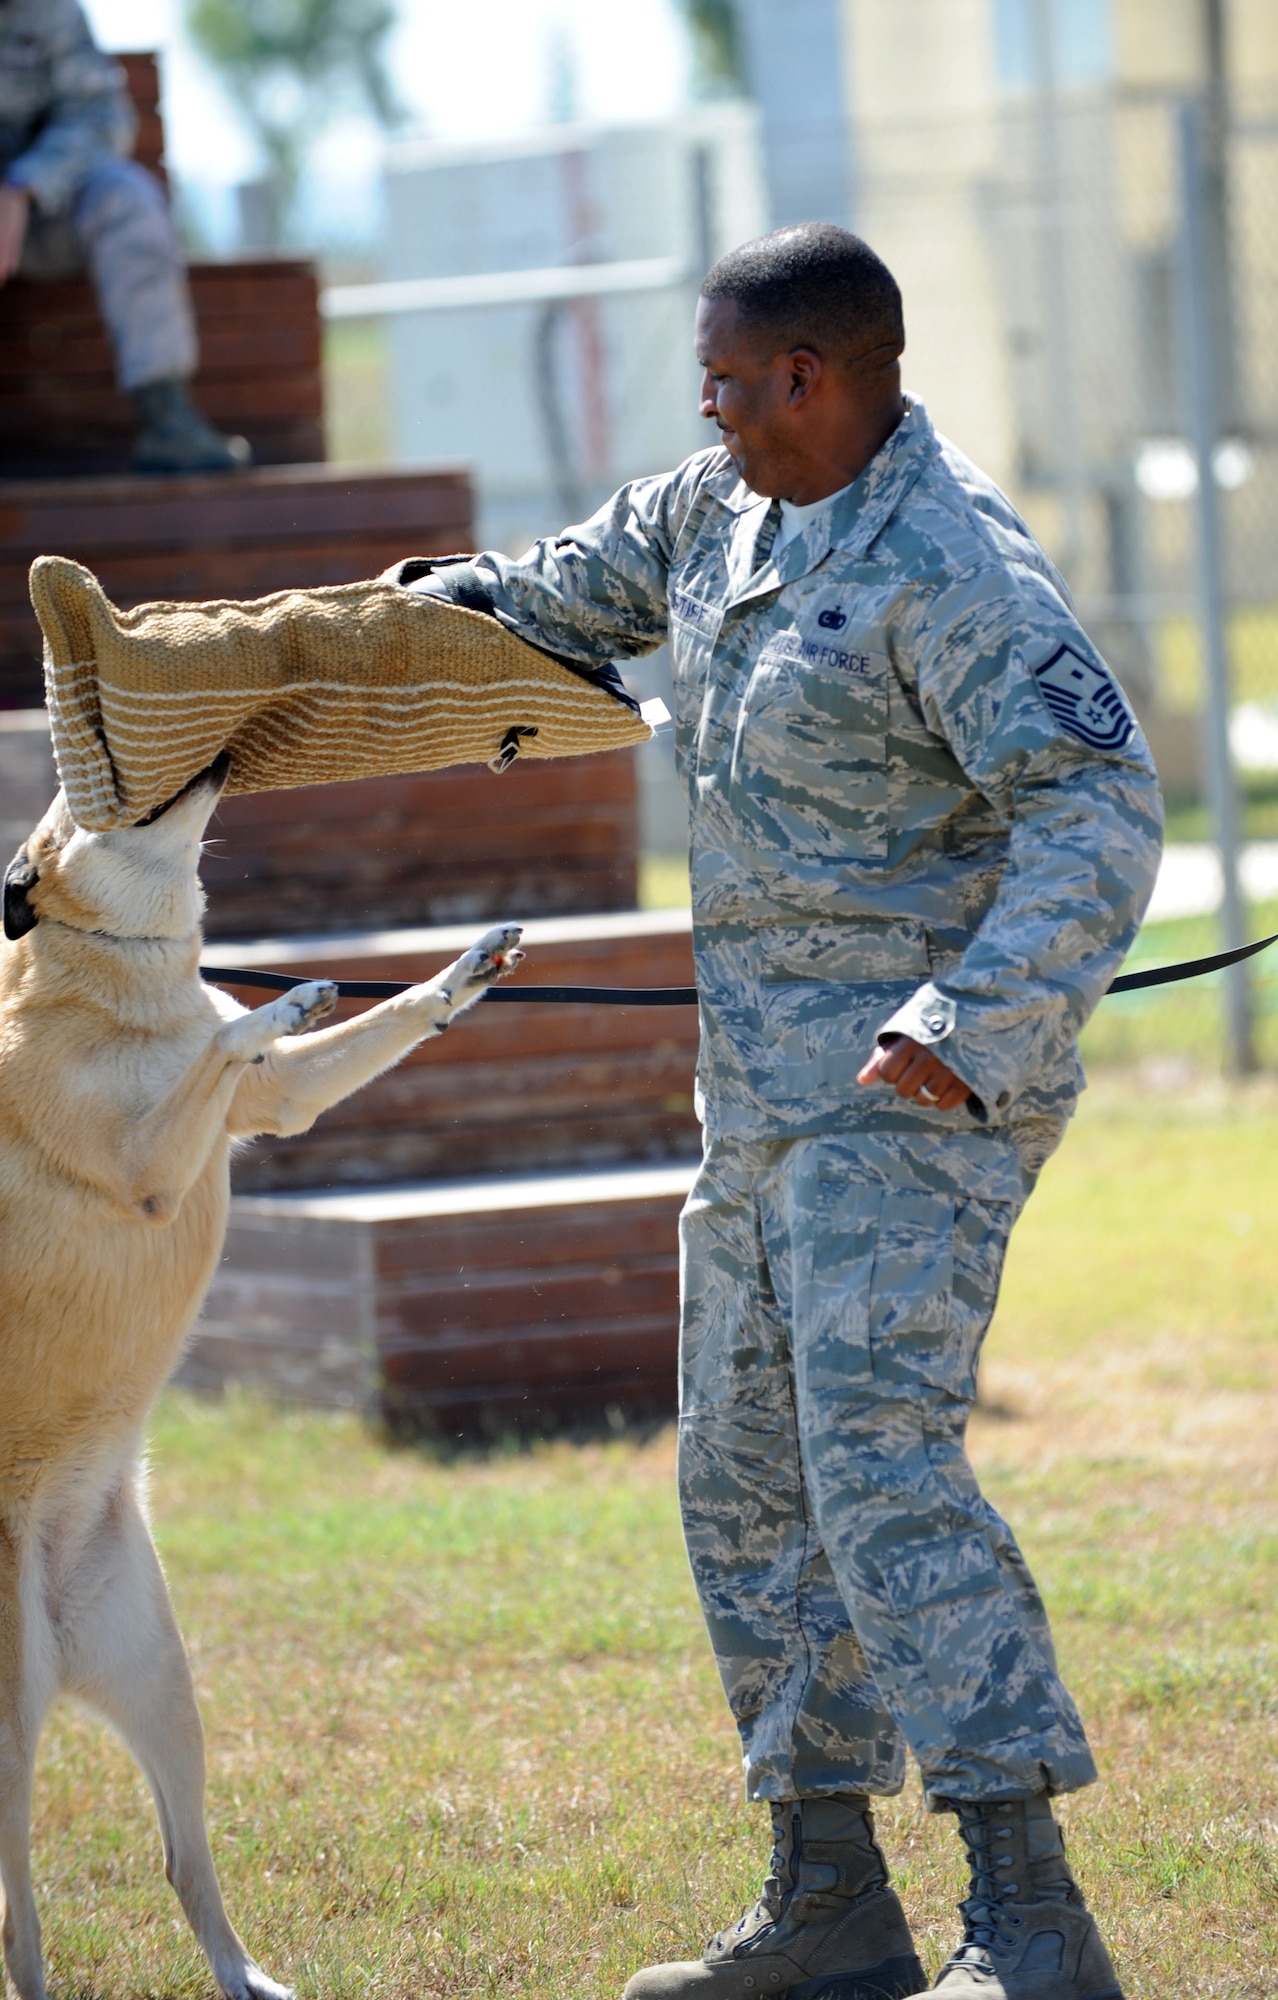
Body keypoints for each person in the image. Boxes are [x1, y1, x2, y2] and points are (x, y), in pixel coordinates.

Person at [398, 224, 1162, 2000]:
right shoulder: (717, 509)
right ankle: (827, 1896)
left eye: (730, 385)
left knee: (873, 1461)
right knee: (740, 1478)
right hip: (752, 1102)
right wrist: (419, 613)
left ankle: (1032, 1922)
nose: (714, 414)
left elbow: (1096, 803)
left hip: (914, 1093)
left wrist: (966, 1017)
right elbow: (560, 584)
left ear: (809, 378)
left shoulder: (953, 569)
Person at [0, 0, 249, 473]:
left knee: (128, 198)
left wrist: (21, 188)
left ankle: (165, 416)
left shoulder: (50, 12)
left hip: (42, 215)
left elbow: (101, 119)